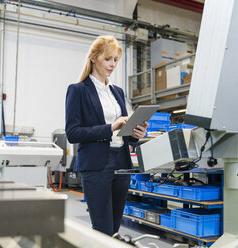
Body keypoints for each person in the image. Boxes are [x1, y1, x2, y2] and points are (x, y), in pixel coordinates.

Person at [65, 35, 148, 236]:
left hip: (121, 161)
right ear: (94, 58)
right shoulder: (78, 90)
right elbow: (72, 133)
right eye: (108, 59)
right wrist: (110, 127)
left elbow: (122, 133)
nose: (112, 64)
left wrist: (136, 134)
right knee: (102, 229)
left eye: (115, 60)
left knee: (114, 227)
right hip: (96, 165)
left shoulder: (117, 92)